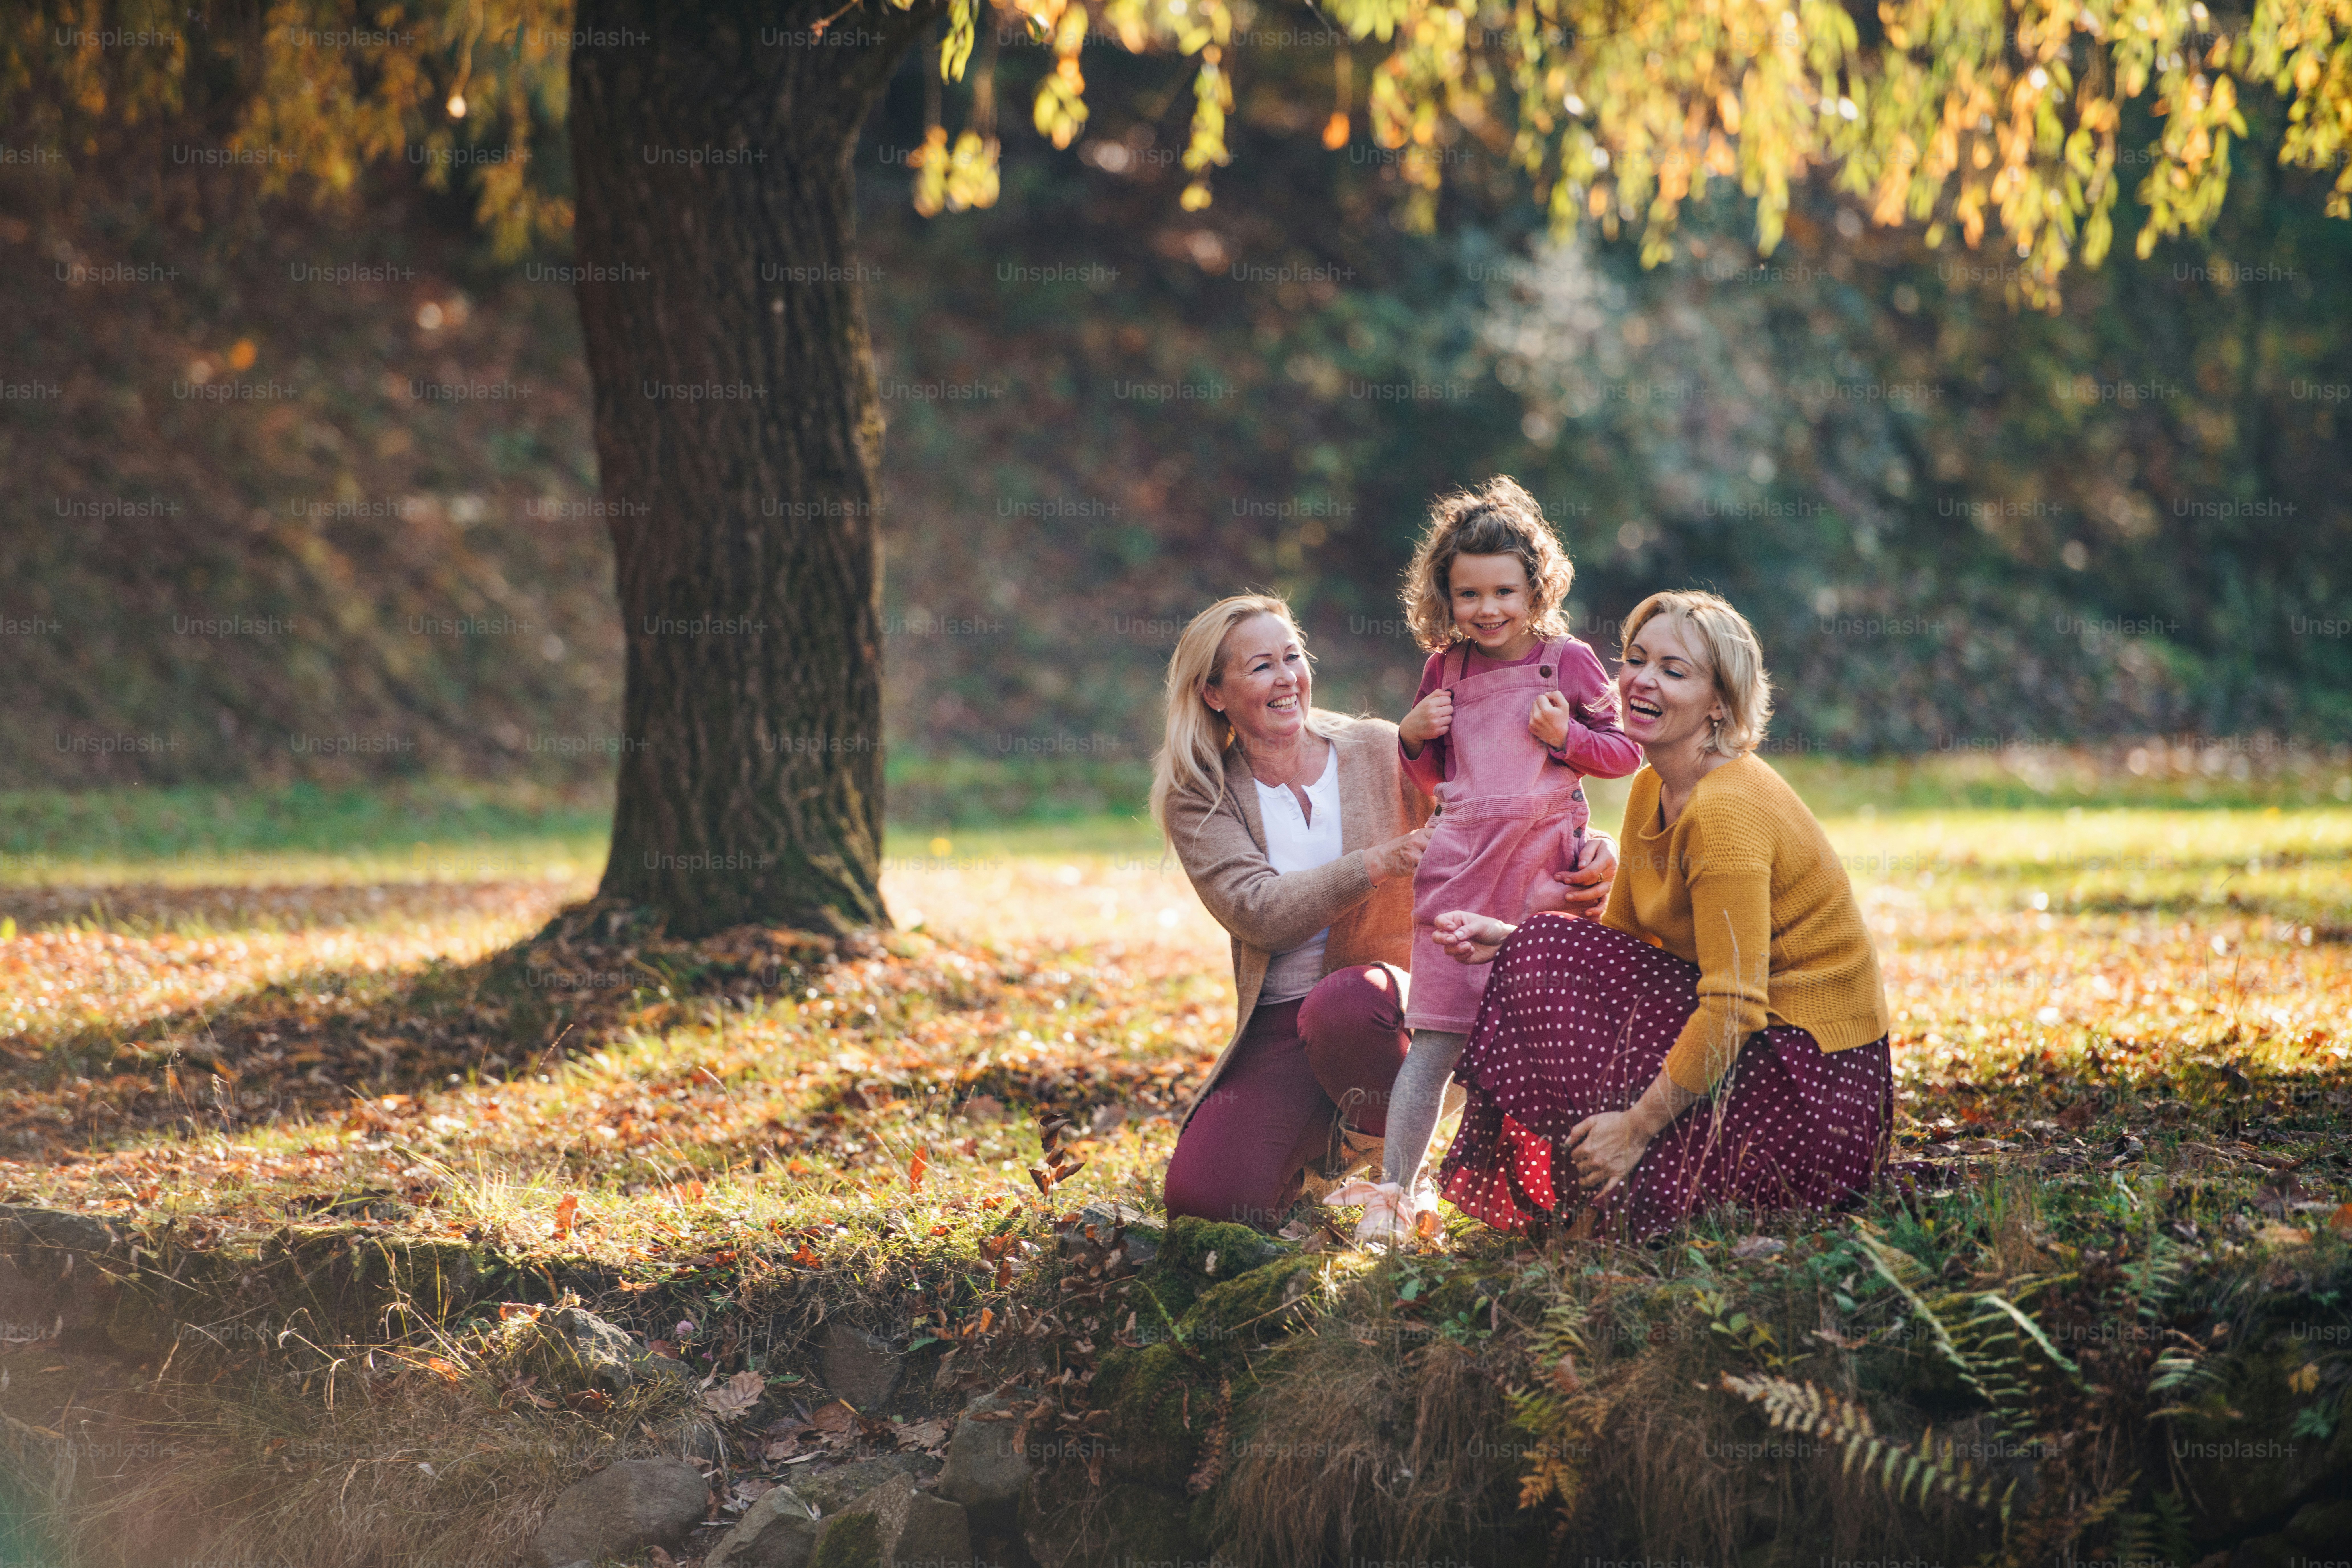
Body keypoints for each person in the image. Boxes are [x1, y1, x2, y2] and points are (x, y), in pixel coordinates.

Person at [1427, 590, 1893, 1241]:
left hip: (1813, 1087)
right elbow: (1619, 948)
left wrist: (1638, 1125)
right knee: (1538, 949)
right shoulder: (1654, 784)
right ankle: (1614, 1184)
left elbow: (1735, 1007)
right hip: (1759, 1044)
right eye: (1636, 659)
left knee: (1542, 951)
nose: (1642, 680)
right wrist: (1508, 940)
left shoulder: (1725, 812)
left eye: (1674, 671)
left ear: (1720, 705)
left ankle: (1630, 1162)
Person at [1151, 592, 1620, 1231]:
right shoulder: (1200, 793)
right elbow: (1256, 910)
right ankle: (1333, 1154)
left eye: (1293, 656)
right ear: (1214, 693)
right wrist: (1381, 860)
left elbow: (1503, 813)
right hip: (1280, 1021)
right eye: (1260, 666)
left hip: (1391, 1008)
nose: (1287, 678)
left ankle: (1400, 1168)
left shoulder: (1377, 748)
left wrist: (1595, 845)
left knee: (1347, 1003)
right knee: (1206, 1201)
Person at [1345, 479, 1640, 1246]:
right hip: (1460, 868)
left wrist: (1567, 739)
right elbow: (1438, 780)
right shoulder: (1445, 670)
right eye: (1468, 593)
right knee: (1437, 1036)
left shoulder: (1567, 663)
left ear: (1536, 587)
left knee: (1552, 1037)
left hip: (1541, 873)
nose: (1487, 608)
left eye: (1504, 590)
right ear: (1445, 595)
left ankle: (1578, 1199)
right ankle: (1395, 1193)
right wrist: (1412, 735)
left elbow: (1626, 753)